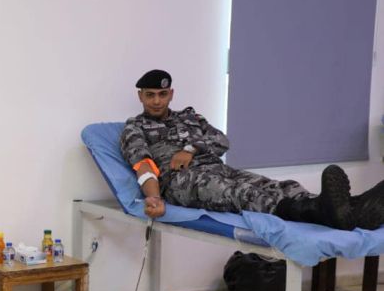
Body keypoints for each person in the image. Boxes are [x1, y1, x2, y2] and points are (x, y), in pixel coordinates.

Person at [120, 69, 383, 230]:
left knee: (281, 186)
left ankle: (353, 209)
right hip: (182, 182)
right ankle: (322, 212)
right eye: (150, 95)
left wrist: (190, 149)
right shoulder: (135, 127)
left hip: (217, 169)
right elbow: (144, 166)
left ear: (171, 94)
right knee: (244, 194)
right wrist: (154, 199)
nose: (157, 101)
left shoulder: (190, 117)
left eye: (162, 94)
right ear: (140, 96)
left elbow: (221, 140)